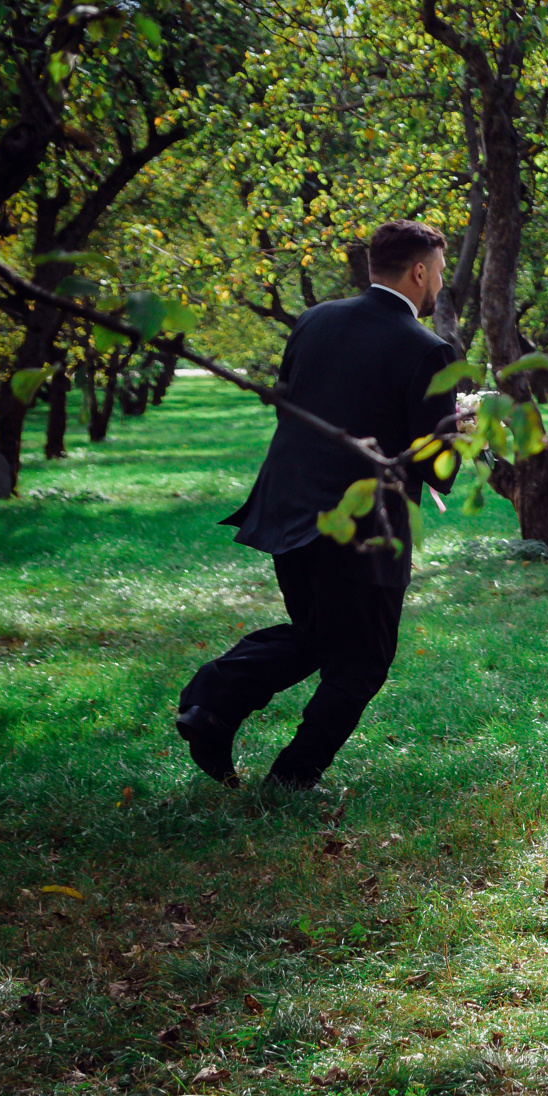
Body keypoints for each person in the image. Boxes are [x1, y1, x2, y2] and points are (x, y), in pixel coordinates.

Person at [175, 221, 465, 790]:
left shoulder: (314, 319)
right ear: (419, 271)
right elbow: (435, 466)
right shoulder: (428, 349)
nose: (439, 283)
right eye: (438, 271)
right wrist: (465, 431)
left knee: (319, 635)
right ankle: (290, 778)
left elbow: (290, 404)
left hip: (285, 506)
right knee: (361, 660)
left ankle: (212, 703)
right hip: (359, 526)